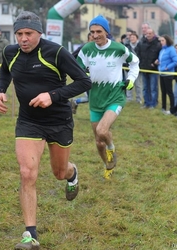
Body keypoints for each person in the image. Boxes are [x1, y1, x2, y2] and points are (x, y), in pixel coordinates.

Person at [0, 11, 91, 250]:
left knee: (59, 172)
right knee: (27, 173)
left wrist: (53, 95)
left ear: (39, 33)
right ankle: (31, 235)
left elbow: (84, 81)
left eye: (28, 34)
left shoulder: (55, 52)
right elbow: (4, 72)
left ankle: (72, 172)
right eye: (19, 34)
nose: (23, 39)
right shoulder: (10, 52)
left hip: (58, 120)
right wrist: (1, 90)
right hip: (28, 121)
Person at [77, 15, 139, 180]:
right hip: (95, 98)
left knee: (102, 130)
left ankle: (112, 148)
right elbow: (77, 69)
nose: (95, 35)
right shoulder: (87, 49)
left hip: (115, 97)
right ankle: (107, 164)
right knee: (98, 141)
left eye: (99, 31)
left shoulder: (118, 48)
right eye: (92, 32)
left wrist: (131, 80)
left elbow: (135, 63)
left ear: (107, 31)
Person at [70, 32, 93, 114]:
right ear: (88, 39)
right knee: (91, 98)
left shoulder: (98, 48)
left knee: (94, 97)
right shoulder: (83, 47)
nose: (94, 39)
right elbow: (72, 57)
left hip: (97, 75)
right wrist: (80, 69)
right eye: (91, 38)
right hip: (86, 76)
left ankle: (75, 102)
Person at [138, 28, 161, 109]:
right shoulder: (141, 43)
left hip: (153, 69)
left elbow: (160, 56)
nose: (148, 35)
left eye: (150, 33)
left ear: (153, 34)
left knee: (153, 88)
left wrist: (156, 62)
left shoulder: (158, 44)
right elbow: (138, 54)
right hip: (144, 68)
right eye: (147, 33)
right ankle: (146, 103)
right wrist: (140, 64)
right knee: (145, 88)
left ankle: (153, 104)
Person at [156, 35, 177, 114]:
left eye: (163, 40)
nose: (161, 42)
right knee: (163, 91)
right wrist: (158, 62)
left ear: (167, 41)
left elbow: (176, 61)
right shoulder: (162, 50)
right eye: (160, 41)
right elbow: (162, 60)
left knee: (169, 92)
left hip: (168, 74)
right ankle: (163, 107)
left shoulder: (171, 49)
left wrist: (167, 67)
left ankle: (172, 108)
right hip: (161, 73)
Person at [126, 32, 143, 104]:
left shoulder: (141, 46)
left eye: (134, 37)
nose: (132, 38)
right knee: (128, 83)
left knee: (138, 84)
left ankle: (139, 99)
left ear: (137, 38)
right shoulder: (127, 46)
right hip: (128, 68)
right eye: (131, 37)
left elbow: (142, 56)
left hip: (137, 67)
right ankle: (129, 98)